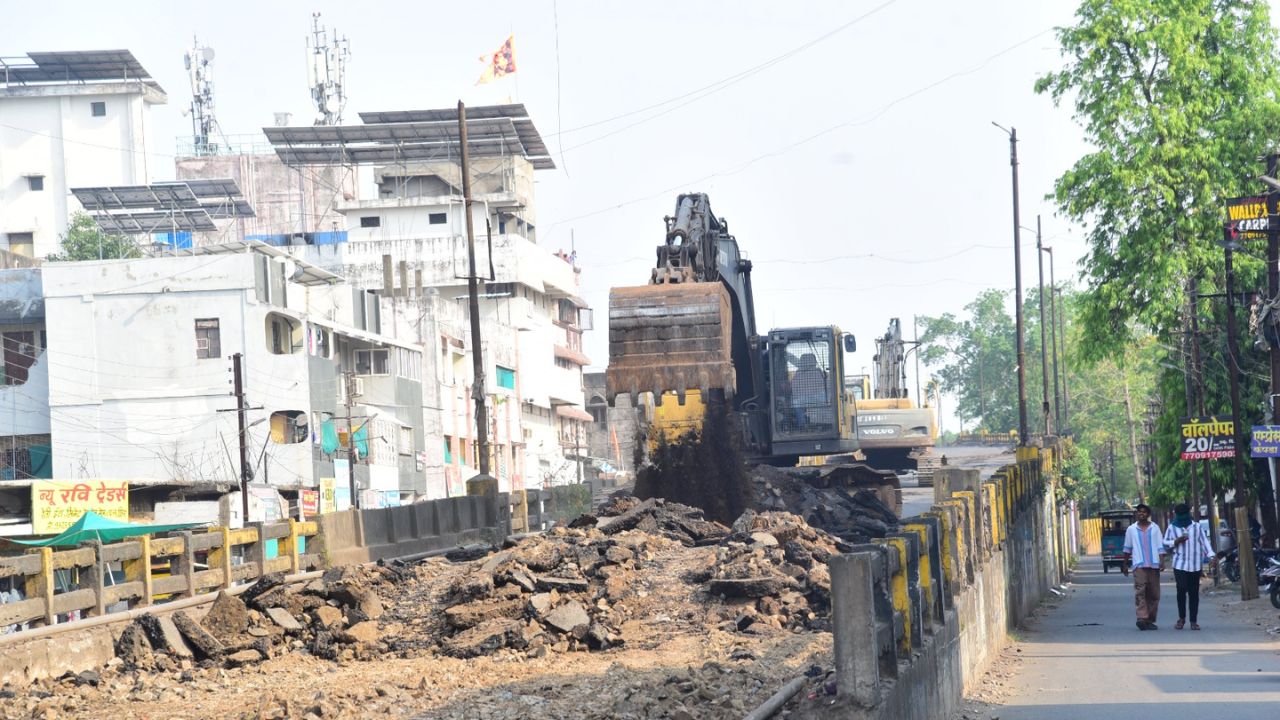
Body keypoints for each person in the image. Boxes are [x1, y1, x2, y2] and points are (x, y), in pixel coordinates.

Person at [1163, 503, 1214, 630]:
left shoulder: (1196, 527)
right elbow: (1164, 543)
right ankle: (1181, 618)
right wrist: (1176, 541)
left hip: (1195, 564)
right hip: (1179, 563)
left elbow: (1204, 542)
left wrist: (1211, 556)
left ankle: (1193, 621)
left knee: (1193, 593)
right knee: (1181, 589)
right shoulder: (1172, 528)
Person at [1121, 503, 1166, 630]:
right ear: (1137, 514)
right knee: (1140, 591)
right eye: (1139, 511)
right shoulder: (1131, 529)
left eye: (1144, 512)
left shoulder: (1155, 528)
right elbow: (1127, 548)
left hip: (1153, 564)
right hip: (1139, 564)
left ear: (1148, 514)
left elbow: (1160, 546)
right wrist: (1125, 564)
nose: (1142, 514)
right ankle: (1141, 617)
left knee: (1154, 593)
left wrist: (1162, 561)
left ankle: (1150, 620)